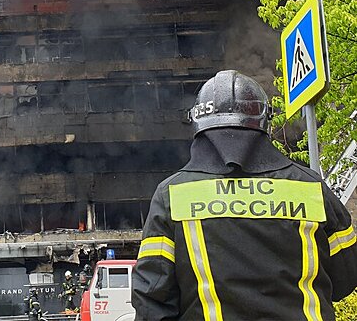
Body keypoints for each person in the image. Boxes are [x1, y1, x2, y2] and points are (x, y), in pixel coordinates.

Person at [131, 70, 357, 320]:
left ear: (197, 123)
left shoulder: (172, 195)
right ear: (265, 122)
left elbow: (153, 298)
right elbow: (346, 279)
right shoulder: (310, 187)